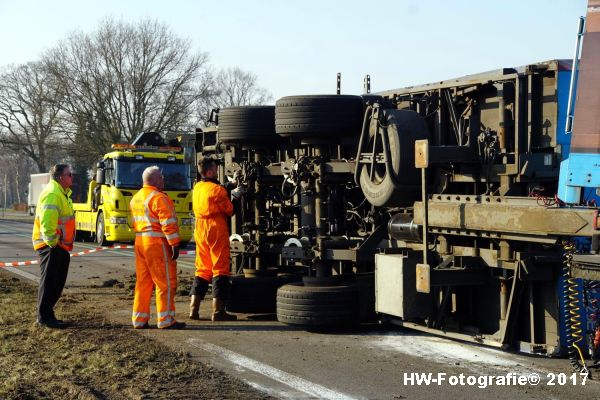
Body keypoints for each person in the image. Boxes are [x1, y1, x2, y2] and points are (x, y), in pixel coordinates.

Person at [130, 166, 185, 329]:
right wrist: (174, 243)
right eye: (161, 178)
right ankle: (166, 319)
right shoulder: (159, 198)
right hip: (156, 243)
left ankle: (139, 320)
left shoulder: (136, 198)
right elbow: (168, 223)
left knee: (143, 283)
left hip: (140, 243)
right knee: (165, 282)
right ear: (154, 180)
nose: (163, 180)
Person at [189, 157, 242, 321]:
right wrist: (237, 196)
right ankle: (218, 311)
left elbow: (214, 193)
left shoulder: (197, 187)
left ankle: (194, 309)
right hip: (215, 229)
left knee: (202, 269)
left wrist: (229, 186)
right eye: (215, 169)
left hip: (200, 229)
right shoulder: (218, 190)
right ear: (211, 171)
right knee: (220, 268)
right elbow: (230, 210)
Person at [32, 164, 76, 328]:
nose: (72, 177)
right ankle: (44, 318)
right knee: (50, 282)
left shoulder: (61, 193)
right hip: (51, 245)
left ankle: (48, 315)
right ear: (61, 177)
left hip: (59, 246)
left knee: (56, 283)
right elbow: (47, 222)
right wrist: (53, 243)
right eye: (69, 174)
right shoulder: (53, 193)